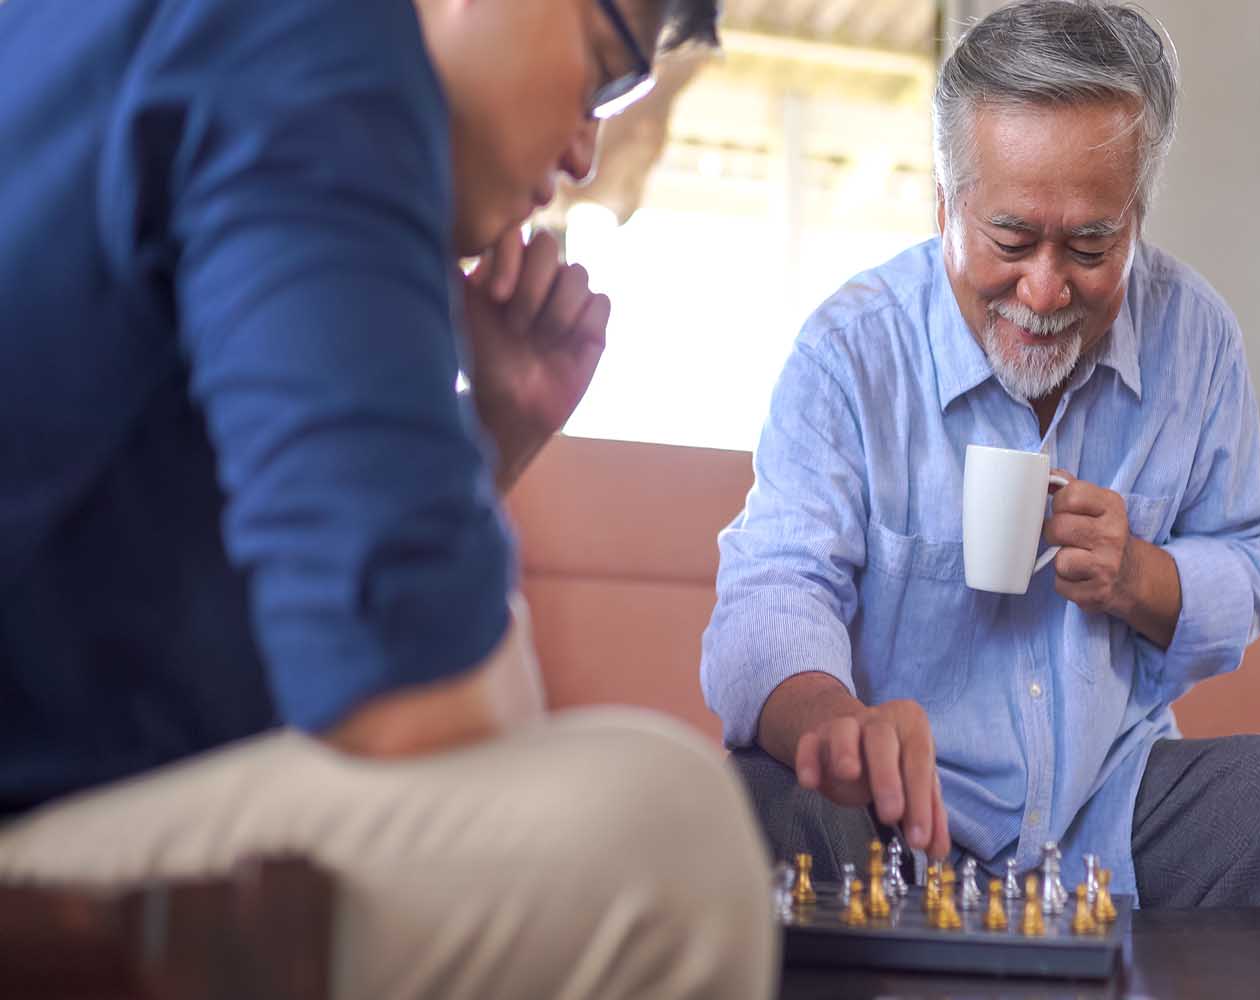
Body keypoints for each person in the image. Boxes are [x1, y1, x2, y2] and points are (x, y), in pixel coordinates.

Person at [0, 1, 775, 996]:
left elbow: (272, 649)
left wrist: (489, 435)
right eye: (606, 68)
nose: (588, 149)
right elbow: (419, 715)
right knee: (666, 842)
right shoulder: (316, 40)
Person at [701, 0, 1260, 908]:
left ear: (1136, 216)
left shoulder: (1196, 338)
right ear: (945, 205)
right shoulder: (849, 353)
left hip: (1110, 809)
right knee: (747, 800)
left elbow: (1253, 556)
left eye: (1092, 244)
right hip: (891, 819)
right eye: (1012, 239)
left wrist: (1144, 575)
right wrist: (834, 723)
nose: (1046, 287)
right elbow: (774, 588)